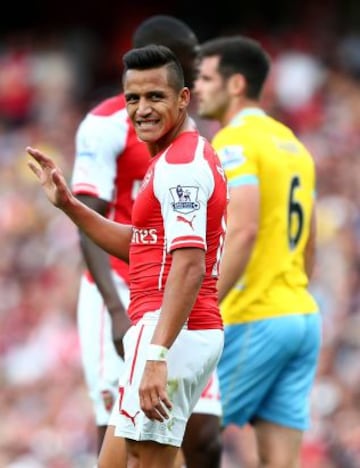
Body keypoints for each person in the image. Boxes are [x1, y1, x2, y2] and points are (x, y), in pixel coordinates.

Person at [27, 44, 227, 468]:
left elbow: (189, 265)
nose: (142, 109)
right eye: (133, 98)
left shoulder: (181, 166)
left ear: (183, 98)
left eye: (155, 96)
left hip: (169, 332)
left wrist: (157, 355)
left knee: (144, 462)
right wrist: (70, 205)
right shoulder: (173, 159)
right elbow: (144, 244)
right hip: (162, 331)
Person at [194, 36, 322, 467]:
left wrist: (203, 307)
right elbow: (310, 243)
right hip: (301, 315)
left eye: (206, 77)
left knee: (176, 435)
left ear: (236, 85)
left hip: (256, 315)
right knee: (280, 461)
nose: (197, 86)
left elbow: (244, 229)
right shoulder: (293, 145)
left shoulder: (233, 143)